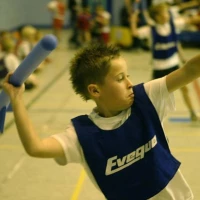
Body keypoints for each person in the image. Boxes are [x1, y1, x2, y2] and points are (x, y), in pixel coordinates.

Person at [3, 43, 200, 199]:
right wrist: (17, 99)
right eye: (120, 78)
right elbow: (35, 147)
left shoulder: (146, 97)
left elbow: (191, 69)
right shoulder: (81, 136)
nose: (130, 83)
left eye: (128, 76)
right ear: (95, 90)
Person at [131, 2, 200, 121]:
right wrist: (133, 19)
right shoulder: (150, 30)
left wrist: (182, 55)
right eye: (165, 13)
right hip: (159, 67)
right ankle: (139, 115)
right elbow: (135, 33)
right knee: (151, 93)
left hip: (173, 64)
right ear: (157, 16)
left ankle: (192, 113)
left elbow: (189, 23)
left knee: (184, 89)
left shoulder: (173, 25)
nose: (168, 15)